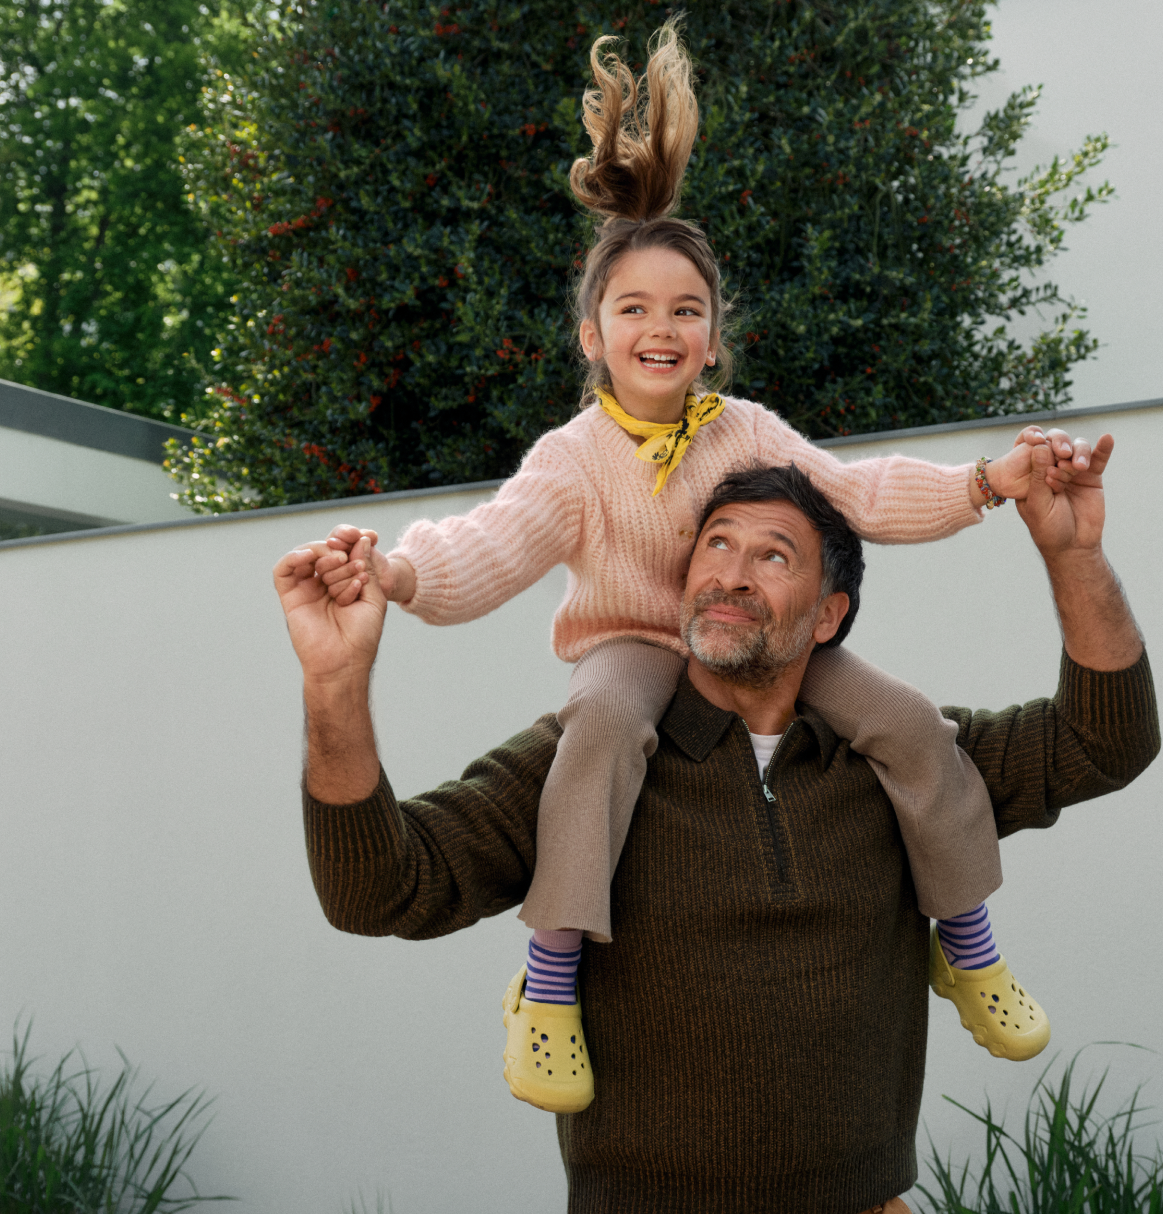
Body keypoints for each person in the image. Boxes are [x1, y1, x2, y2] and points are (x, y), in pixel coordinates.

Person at [273, 432, 1159, 1214]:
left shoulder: (900, 761)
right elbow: (378, 889)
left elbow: (1105, 741)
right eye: (717, 545)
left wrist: (1073, 553)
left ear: (829, 615)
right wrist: (335, 685)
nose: (732, 573)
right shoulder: (588, 766)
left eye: (774, 555)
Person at [309, 19, 1092, 1113]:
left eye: (686, 310)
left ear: (714, 337)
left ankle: (965, 944)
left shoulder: (746, 429)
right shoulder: (573, 459)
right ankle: (548, 984)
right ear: (593, 336)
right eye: (633, 309)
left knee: (909, 719)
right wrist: (396, 575)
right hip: (634, 646)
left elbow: (857, 495)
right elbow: (492, 542)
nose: (661, 327)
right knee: (598, 730)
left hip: (751, 642)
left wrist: (985, 482)